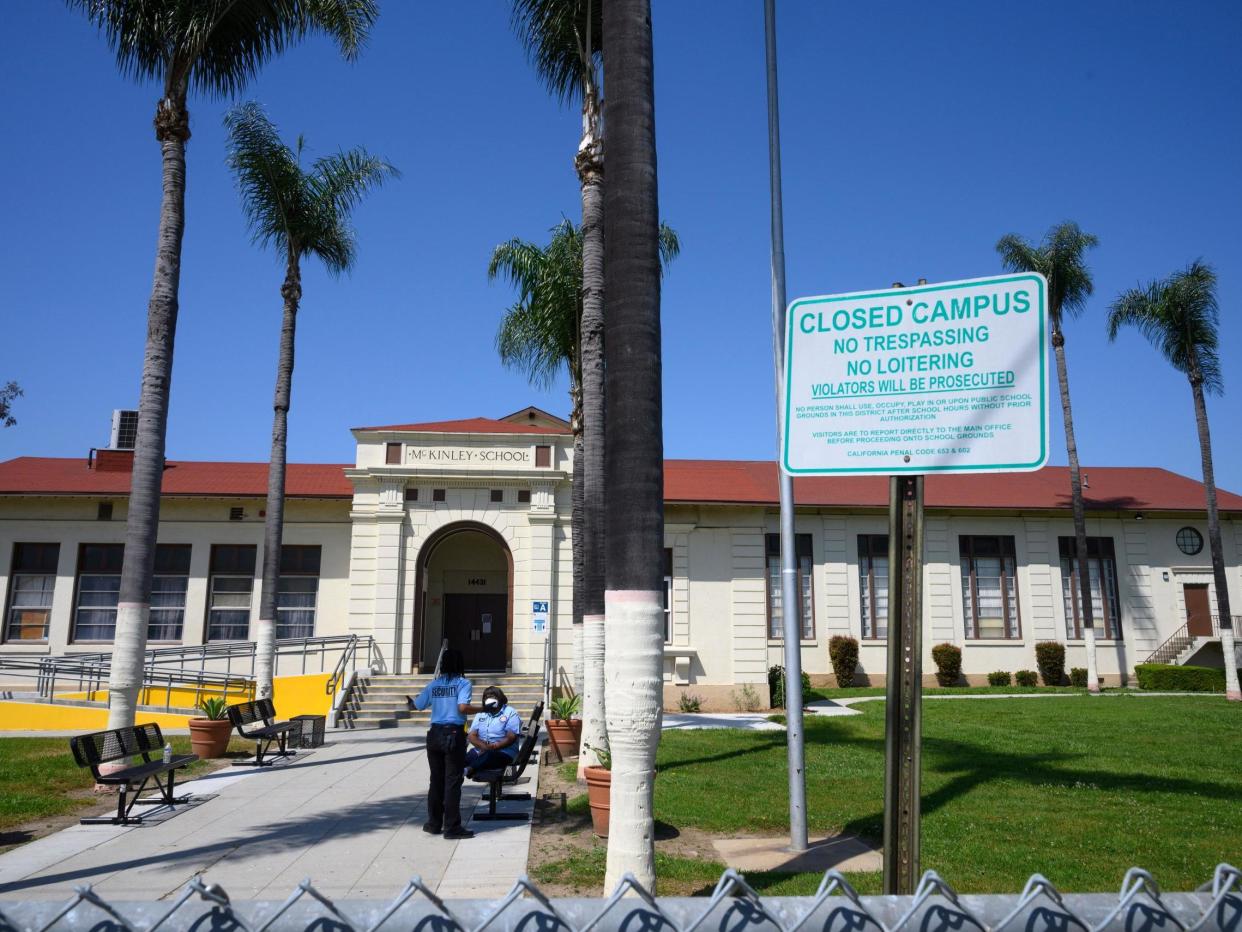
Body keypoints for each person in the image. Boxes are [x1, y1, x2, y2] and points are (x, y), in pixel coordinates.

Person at [409, 649, 480, 839]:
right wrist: (484, 708)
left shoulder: (434, 684)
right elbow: (463, 707)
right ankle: (452, 827)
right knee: (453, 781)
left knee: (436, 780)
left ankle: (433, 823)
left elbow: (417, 705)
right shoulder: (463, 684)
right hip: (453, 735)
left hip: (434, 735)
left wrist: (410, 700)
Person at [464, 687, 522, 777]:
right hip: (482, 749)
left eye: (493, 696)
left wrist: (494, 746)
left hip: (504, 752)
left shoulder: (510, 712)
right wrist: (484, 747)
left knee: (488, 756)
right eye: (486, 697)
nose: (489, 699)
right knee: (466, 758)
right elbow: (472, 735)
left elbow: (511, 737)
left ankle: (469, 770)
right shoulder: (481, 713)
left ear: (500, 698)